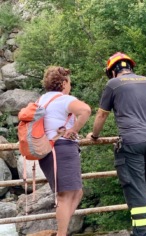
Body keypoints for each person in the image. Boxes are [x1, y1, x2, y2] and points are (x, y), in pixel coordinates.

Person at [87, 52, 146, 236]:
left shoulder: (114, 84)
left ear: (112, 71)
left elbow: (102, 114)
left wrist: (94, 136)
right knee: (141, 188)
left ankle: (143, 233)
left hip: (131, 142)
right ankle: (139, 231)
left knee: (135, 191)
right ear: (130, 67)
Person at [38, 66, 91, 236]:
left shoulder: (42, 100)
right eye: (69, 82)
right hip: (62, 148)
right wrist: (74, 129)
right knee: (65, 195)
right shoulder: (63, 99)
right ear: (63, 83)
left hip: (49, 150)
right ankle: (61, 234)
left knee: (76, 192)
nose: (70, 86)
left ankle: (61, 231)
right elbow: (85, 110)